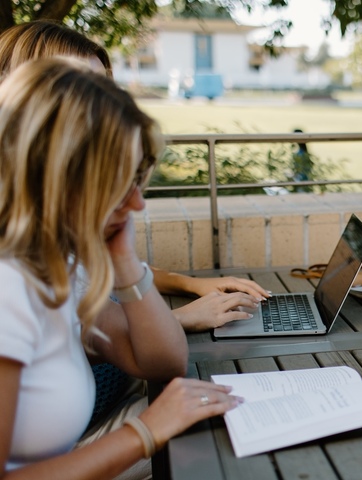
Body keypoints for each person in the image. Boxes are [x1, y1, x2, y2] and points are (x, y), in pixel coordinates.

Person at [0, 58, 241, 478]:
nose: (137, 204)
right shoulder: (9, 286)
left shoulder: (52, 262)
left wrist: (126, 263)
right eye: (120, 183)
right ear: (59, 178)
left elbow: (163, 362)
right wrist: (145, 433)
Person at [0, 20, 270, 333]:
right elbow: (54, 340)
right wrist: (179, 319)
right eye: (81, 88)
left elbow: (100, 272)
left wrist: (191, 284)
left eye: (103, 89)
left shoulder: (63, 192)